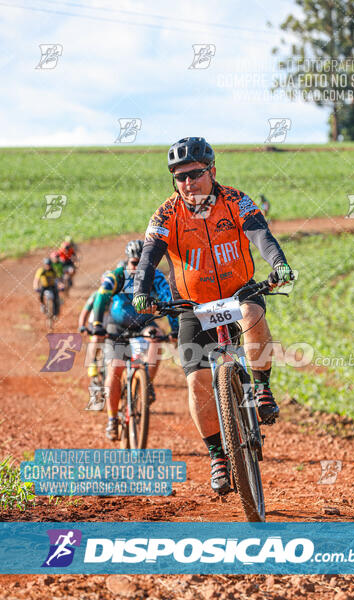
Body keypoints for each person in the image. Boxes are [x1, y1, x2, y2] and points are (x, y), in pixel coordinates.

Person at [133, 136, 293, 494]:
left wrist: (279, 262)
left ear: (212, 171)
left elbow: (260, 235)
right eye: (179, 177)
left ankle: (262, 390)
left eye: (194, 174)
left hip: (237, 291)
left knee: (252, 310)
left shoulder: (236, 200)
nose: (188, 183)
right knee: (197, 381)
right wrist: (140, 290)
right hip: (194, 305)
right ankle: (218, 455)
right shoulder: (166, 214)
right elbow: (148, 257)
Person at [91, 240, 179, 441]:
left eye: (141, 264)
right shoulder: (117, 276)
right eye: (133, 263)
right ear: (126, 261)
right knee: (115, 369)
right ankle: (113, 419)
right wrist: (97, 325)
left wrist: (174, 329)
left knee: (156, 340)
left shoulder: (156, 277)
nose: (137, 268)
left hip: (145, 324)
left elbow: (168, 301)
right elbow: (101, 297)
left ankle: (146, 382)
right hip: (118, 327)